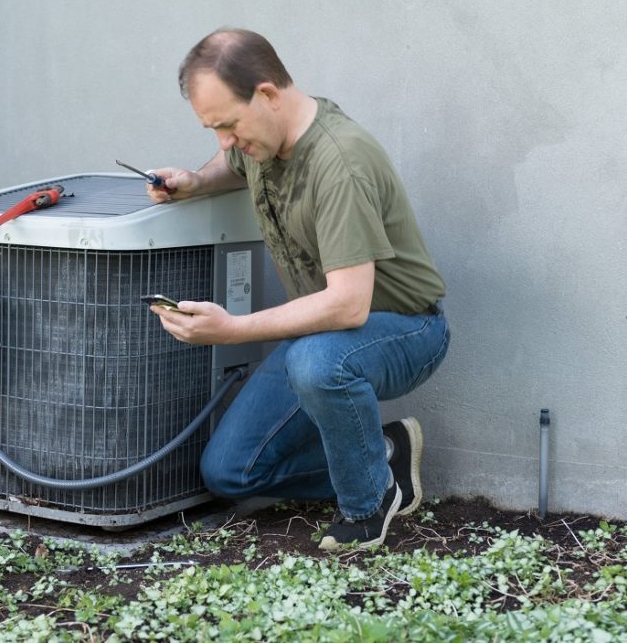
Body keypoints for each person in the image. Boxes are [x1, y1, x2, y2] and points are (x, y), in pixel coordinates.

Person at [146, 28, 450, 550]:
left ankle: (366, 507)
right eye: (212, 128)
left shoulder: (340, 163)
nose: (224, 141)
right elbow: (232, 163)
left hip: (405, 330)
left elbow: (349, 305)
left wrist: (234, 329)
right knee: (230, 473)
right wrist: (196, 182)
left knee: (317, 363)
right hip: (319, 335)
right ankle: (384, 455)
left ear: (266, 94)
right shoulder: (262, 141)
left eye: (227, 124)